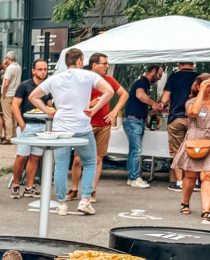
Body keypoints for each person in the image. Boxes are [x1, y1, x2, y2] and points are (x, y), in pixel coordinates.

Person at [29, 47, 114, 216]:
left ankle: (61, 203)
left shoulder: (55, 78)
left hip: (61, 126)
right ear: (80, 61)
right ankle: (85, 200)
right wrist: (95, 109)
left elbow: (33, 96)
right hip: (82, 125)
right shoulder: (89, 75)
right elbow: (109, 91)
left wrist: (48, 111)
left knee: (60, 165)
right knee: (90, 163)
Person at [68, 52, 128, 204]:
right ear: (94, 65)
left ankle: (91, 190)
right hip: (85, 123)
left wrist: (114, 112)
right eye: (104, 64)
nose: (107, 66)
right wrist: (88, 105)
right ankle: (74, 189)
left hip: (104, 124)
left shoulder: (108, 80)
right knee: (77, 159)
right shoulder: (84, 79)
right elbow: (72, 101)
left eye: (107, 64)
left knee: (98, 158)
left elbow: (124, 94)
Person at [172, 73, 210, 222]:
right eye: (208, 85)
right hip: (194, 140)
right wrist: (201, 91)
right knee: (191, 175)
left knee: (209, 175)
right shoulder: (191, 102)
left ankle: (206, 211)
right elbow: (193, 113)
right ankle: (185, 202)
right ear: (199, 86)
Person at [10, 58, 54, 199]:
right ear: (33, 71)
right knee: (22, 156)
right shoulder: (24, 86)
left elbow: (49, 106)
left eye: (45, 69)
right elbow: (15, 105)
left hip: (42, 125)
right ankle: (15, 185)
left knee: (35, 157)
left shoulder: (48, 87)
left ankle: (29, 187)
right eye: (40, 69)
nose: (43, 72)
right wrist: (21, 123)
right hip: (27, 125)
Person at [122, 64, 164, 188]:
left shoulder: (143, 84)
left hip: (135, 120)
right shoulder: (142, 83)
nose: (159, 78)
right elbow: (140, 95)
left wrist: (158, 109)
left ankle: (132, 177)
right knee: (136, 151)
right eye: (159, 75)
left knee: (133, 151)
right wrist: (154, 103)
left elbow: (145, 109)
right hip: (134, 121)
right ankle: (135, 178)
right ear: (153, 71)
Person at [162, 62, 199, 192]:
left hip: (176, 118)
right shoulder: (199, 77)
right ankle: (196, 182)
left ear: (179, 64)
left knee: (177, 151)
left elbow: (165, 99)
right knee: (195, 150)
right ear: (192, 64)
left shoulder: (173, 77)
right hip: (195, 119)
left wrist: (163, 104)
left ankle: (179, 182)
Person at [1, 51, 21, 146]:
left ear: (8, 58)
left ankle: (9, 137)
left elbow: (6, 83)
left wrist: (3, 95)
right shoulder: (18, 67)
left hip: (8, 94)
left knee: (7, 117)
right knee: (14, 117)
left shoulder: (9, 69)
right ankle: (14, 135)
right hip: (16, 94)